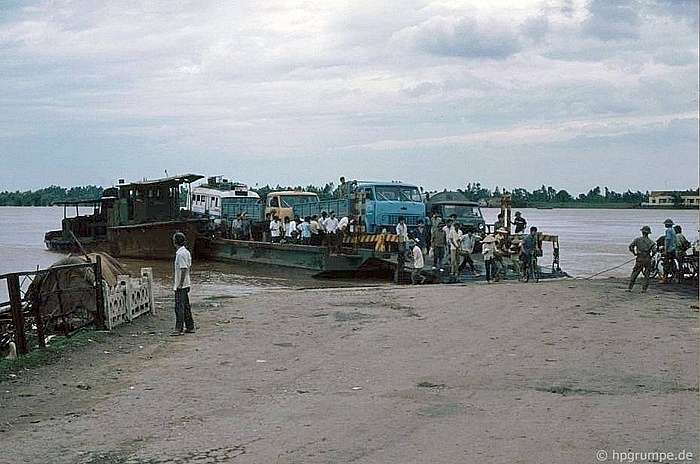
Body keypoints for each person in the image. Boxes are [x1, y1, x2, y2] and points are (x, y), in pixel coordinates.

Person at [171, 232, 195, 336]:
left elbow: (183, 268)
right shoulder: (186, 252)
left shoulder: (180, 254)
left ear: (175, 242)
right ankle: (190, 327)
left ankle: (178, 329)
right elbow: (188, 266)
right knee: (185, 307)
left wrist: (180, 283)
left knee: (179, 307)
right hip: (187, 283)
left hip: (181, 284)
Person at [627, 225, 657, 292]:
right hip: (647, 259)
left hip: (639, 258)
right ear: (648, 233)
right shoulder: (651, 242)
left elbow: (631, 246)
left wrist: (634, 253)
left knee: (635, 273)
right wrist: (651, 256)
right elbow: (655, 251)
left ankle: (629, 288)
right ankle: (644, 289)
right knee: (647, 275)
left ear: (642, 232)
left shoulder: (637, 240)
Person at [662, 218, 677, 283]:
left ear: (667, 224)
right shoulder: (673, 230)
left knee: (666, 263)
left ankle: (664, 278)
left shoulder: (668, 230)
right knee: (672, 262)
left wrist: (665, 250)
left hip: (669, 249)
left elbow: (668, 240)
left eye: (665, 224)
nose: (665, 225)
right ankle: (675, 276)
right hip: (674, 249)